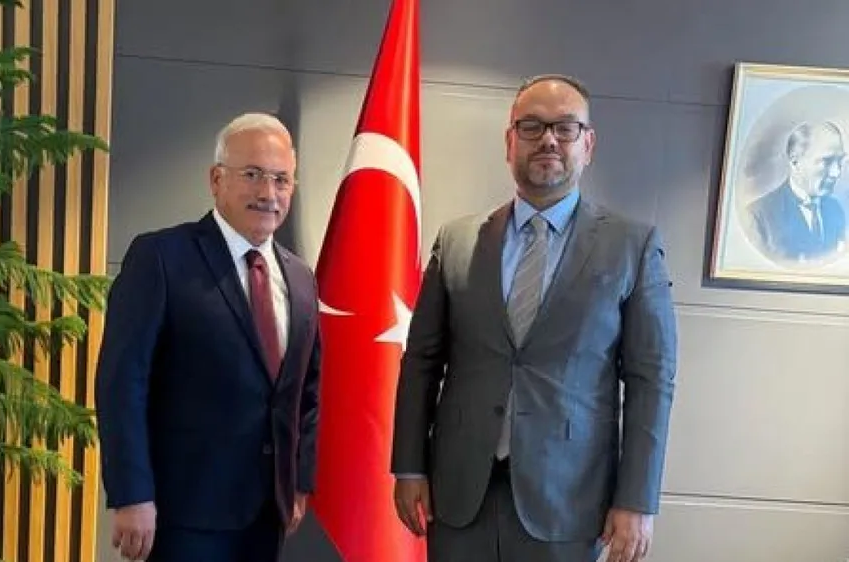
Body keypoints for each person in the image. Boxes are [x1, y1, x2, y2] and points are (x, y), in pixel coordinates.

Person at [390, 74, 678, 562]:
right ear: (509, 143)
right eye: (531, 126)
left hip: (570, 499)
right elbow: (421, 361)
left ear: (588, 144)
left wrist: (636, 499)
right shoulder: (457, 241)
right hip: (459, 493)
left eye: (565, 127)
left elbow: (651, 380)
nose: (548, 139)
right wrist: (409, 466)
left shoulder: (633, 246)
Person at [95, 112, 323, 562]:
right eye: (252, 174)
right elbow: (122, 383)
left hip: (267, 513)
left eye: (281, 179)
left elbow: (308, 393)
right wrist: (131, 493)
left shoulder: (301, 278)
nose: (268, 192)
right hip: (183, 512)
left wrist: (297, 481)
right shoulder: (161, 258)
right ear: (216, 179)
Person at [743, 120, 847, 264]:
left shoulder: (836, 211)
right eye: (826, 161)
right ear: (795, 162)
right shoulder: (758, 216)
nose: (836, 173)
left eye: (840, 161)